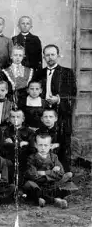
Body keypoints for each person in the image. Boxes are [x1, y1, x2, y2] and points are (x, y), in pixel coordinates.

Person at [34, 44, 77, 172]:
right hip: (44, 111)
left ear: (58, 55)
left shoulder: (67, 72)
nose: (50, 57)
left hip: (61, 111)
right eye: (47, 55)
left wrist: (58, 99)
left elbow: (73, 93)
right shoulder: (39, 73)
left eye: (53, 54)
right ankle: (45, 170)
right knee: (44, 140)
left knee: (63, 140)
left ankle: (65, 170)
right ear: (44, 57)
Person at [23, 133, 77, 208]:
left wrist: (44, 173)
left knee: (67, 177)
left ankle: (53, 200)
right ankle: (52, 200)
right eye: (40, 145)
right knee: (29, 184)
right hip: (38, 184)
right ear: (35, 145)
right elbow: (33, 175)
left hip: (51, 184)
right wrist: (52, 172)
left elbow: (61, 173)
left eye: (46, 145)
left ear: (50, 146)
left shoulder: (54, 157)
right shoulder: (31, 158)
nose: (43, 148)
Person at [1, 109, 35, 183]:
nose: (15, 119)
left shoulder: (29, 132)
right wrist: (20, 144)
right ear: (9, 119)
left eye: (18, 117)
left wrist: (12, 144)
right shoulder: (6, 131)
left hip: (25, 158)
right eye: (13, 117)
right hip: (11, 158)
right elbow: (4, 147)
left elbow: (32, 148)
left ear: (23, 119)